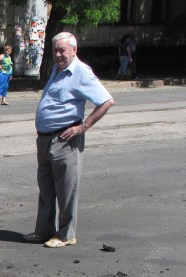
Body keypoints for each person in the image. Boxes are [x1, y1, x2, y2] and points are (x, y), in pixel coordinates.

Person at [25, 32, 114, 248]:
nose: (58, 54)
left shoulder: (81, 72)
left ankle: (66, 234)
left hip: (65, 139)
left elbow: (106, 101)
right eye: (55, 50)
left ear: (74, 50)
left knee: (66, 190)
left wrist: (82, 127)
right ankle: (44, 231)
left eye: (62, 50)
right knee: (46, 189)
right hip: (45, 139)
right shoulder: (57, 69)